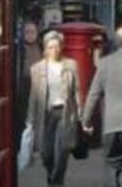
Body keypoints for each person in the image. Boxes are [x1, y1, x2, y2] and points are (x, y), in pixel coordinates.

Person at [82, 26, 122, 187]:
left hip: (112, 124)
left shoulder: (104, 64)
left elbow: (94, 94)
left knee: (112, 165)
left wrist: (86, 120)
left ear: (116, 43)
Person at [26, 30, 81, 186]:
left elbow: (77, 91)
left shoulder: (70, 65)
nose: (54, 50)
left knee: (62, 151)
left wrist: (82, 116)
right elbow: (33, 96)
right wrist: (30, 119)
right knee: (46, 153)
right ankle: (52, 175)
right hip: (46, 114)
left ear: (61, 47)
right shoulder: (36, 69)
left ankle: (57, 183)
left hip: (65, 113)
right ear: (45, 48)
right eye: (50, 47)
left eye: (57, 47)